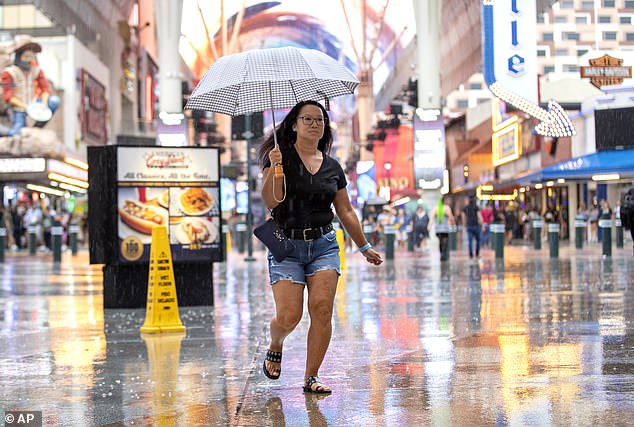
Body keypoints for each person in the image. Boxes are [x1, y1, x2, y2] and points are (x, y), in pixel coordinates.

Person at [258, 100, 383, 394]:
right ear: (293, 124)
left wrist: (363, 246)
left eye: (320, 120)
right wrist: (275, 168)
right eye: (308, 119)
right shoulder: (279, 158)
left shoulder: (332, 167)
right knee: (289, 315)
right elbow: (270, 201)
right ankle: (276, 342)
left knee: (322, 308)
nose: (315, 125)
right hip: (286, 245)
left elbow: (346, 211)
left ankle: (310, 377)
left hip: (324, 244)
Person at [1, 35, 60, 136]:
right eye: (26, 56)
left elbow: (45, 89)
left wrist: (44, 104)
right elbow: (9, 97)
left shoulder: (36, 71)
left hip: (33, 104)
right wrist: (26, 107)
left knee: (54, 101)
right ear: (19, 56)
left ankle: (35, 129)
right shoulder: (9, 73)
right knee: (16, 133)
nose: (29, 60)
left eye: (31, 56)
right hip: (17, 108)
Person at [428, 196, 455, 261]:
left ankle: (441, 253)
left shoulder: (435, 208)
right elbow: (451, 217)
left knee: (440, 241)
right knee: (445, 241)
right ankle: (443, 253)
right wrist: (453, 224)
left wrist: (429, 226)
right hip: (445, 228)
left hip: (438, 229)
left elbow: (431, 219)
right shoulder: (446, 208)